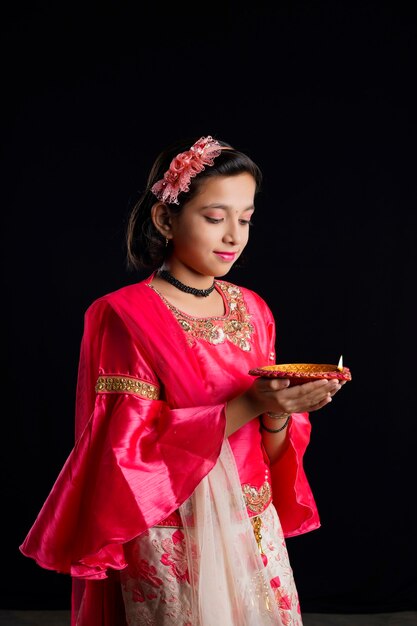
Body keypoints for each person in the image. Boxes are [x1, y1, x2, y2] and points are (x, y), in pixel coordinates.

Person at [20, 135, 345, 626]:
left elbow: (269, 449)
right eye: (215, 218)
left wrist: (282, 410)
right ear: (165, 219)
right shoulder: (124, 315)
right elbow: (123, 457)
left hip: (251, 524)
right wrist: (255, 402)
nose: (234, 235)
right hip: (172, 533)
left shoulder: (254, 310)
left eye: (246, 218)